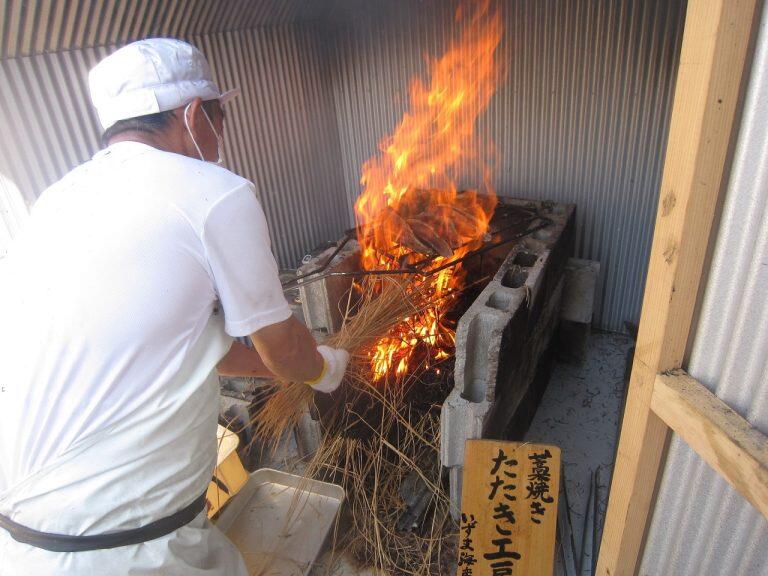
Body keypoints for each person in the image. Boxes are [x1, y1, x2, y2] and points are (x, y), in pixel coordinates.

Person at [0, 38, 349, 575]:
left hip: (22, 536)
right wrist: (324, 367)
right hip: (121, 545)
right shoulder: (215, 193)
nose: (222, 134)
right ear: (193, 115)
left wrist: (298, 366)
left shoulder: (58, 198)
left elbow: (194, 348)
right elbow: (281, 346)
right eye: (220, 116)